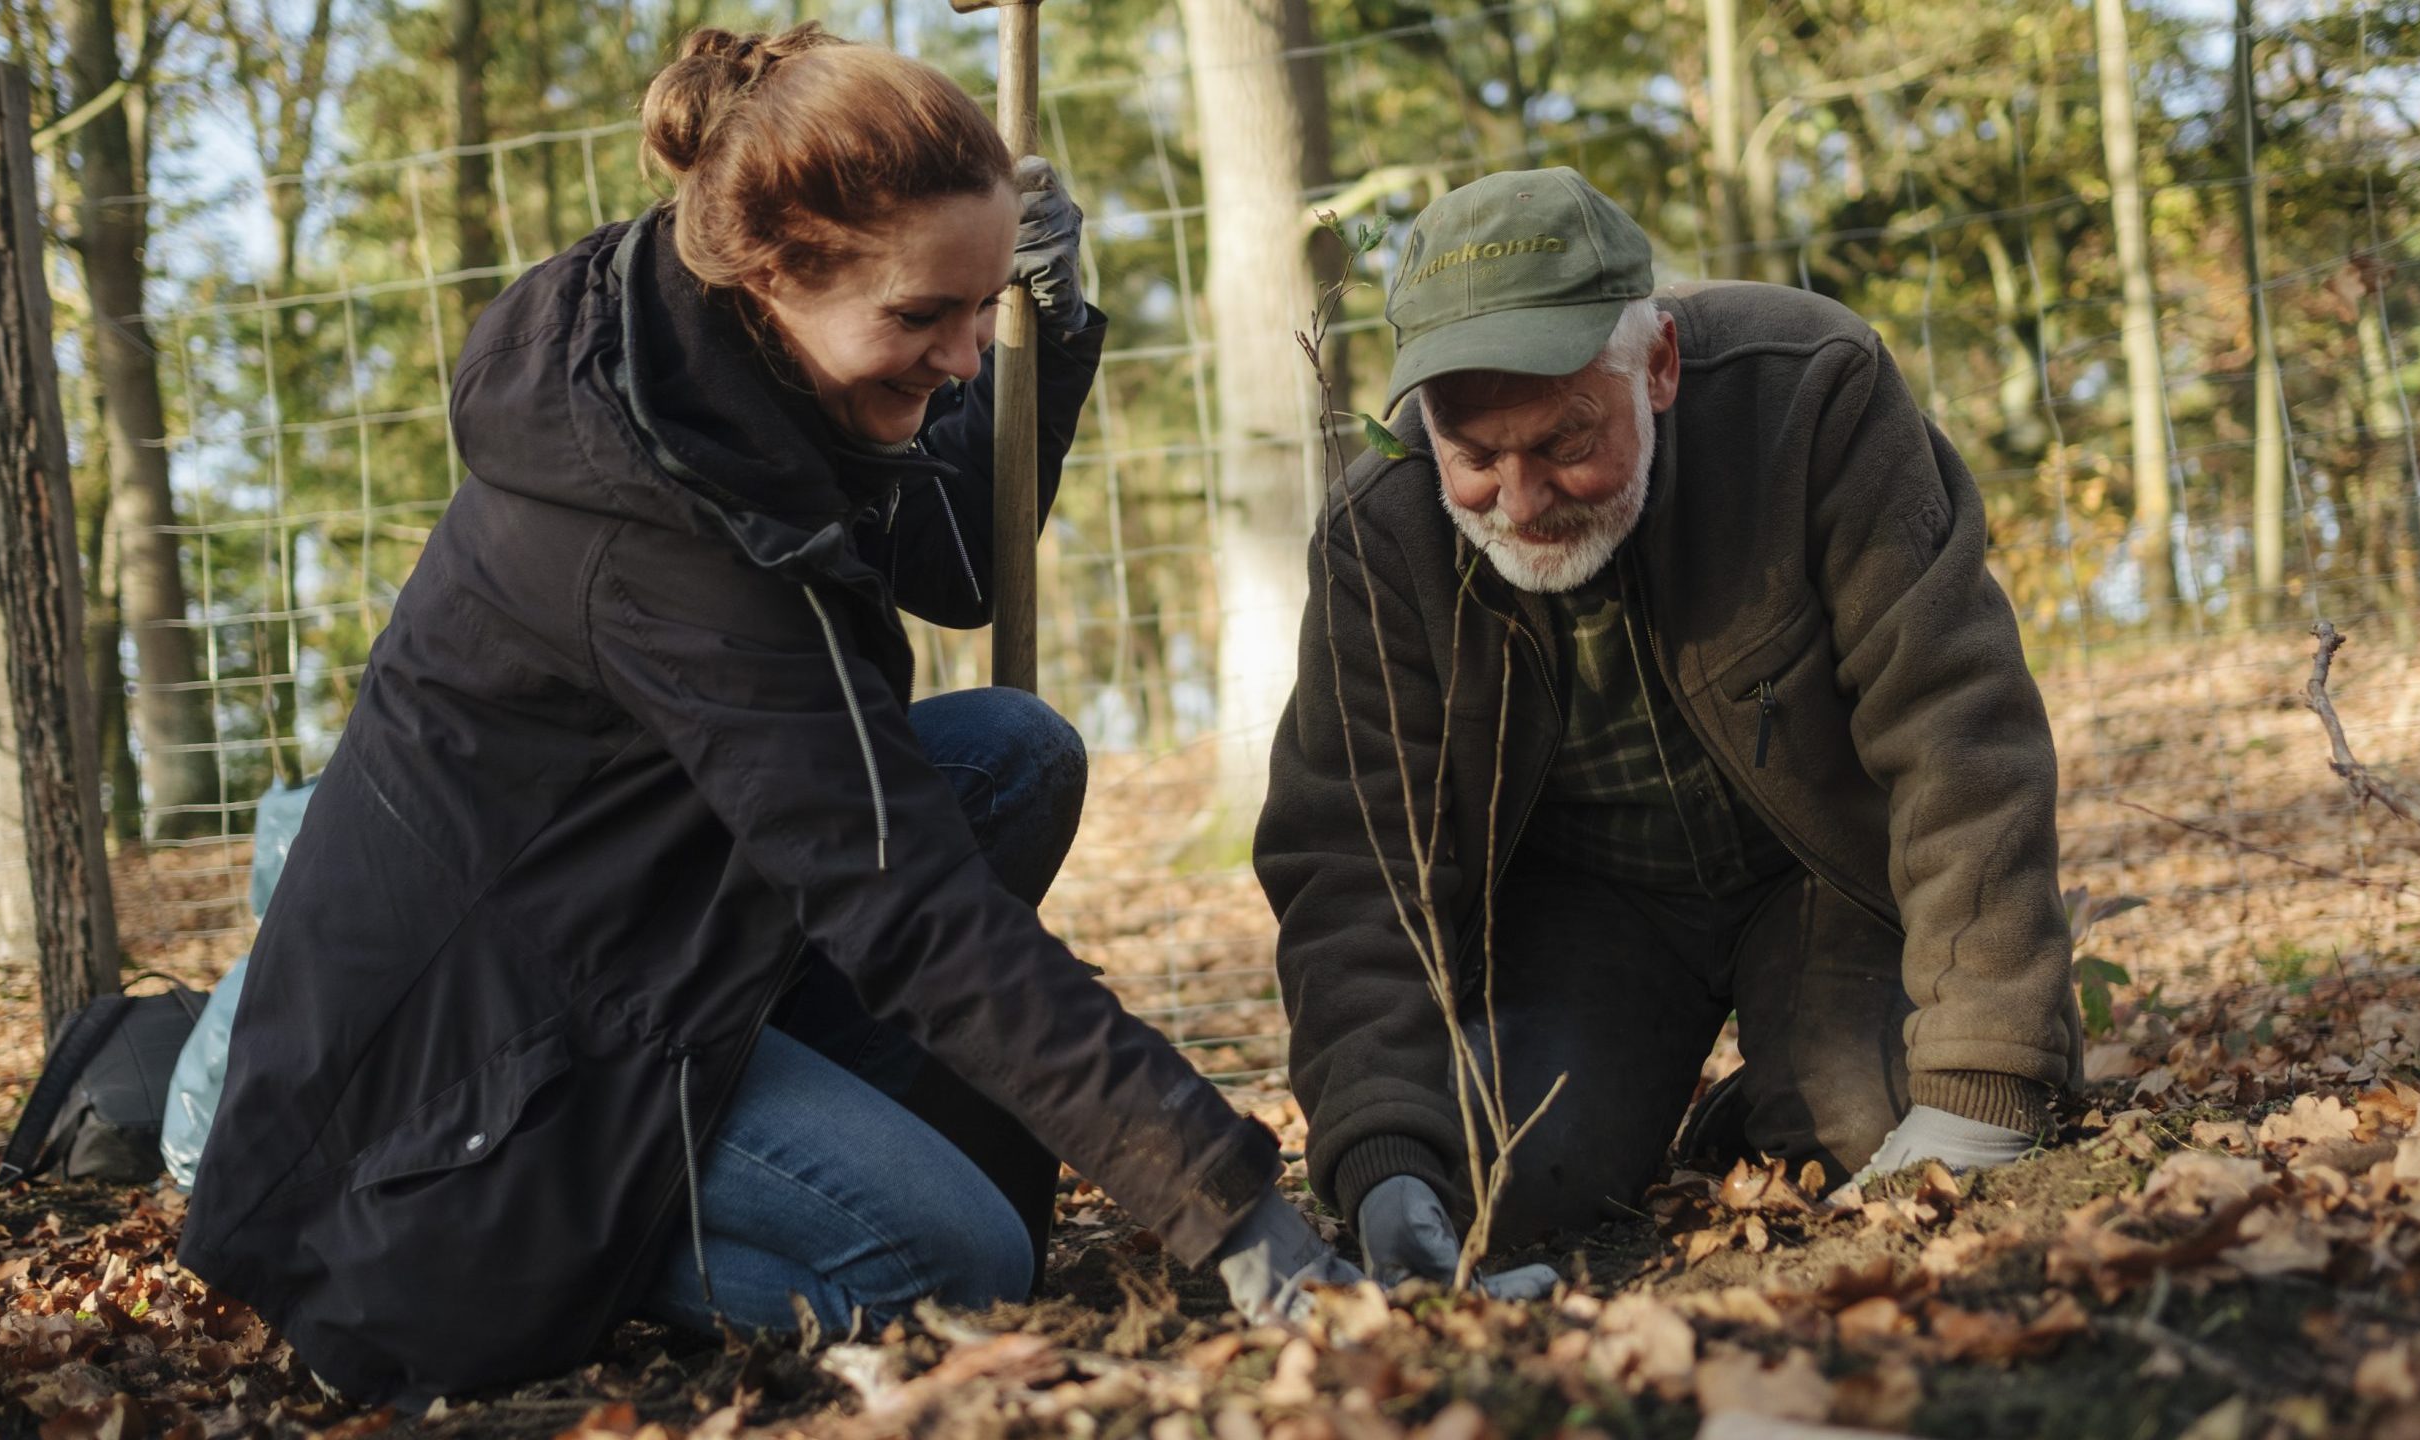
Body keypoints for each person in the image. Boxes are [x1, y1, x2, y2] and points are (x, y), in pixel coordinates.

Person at [178, 25, 1353, 1409]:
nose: (967, 359)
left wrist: (1055, 318)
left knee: (1008, 758)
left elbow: (959, 566)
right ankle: (414, 1189)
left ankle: (788, 1141)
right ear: (777, 271)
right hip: (480, 1070)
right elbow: (902, 904)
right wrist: (1227, 1203)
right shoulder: (672, 519)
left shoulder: (717, 354)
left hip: (648, 922)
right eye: (927, 317)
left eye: (979, 311)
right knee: (956, 1260)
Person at [1255, 168, 2081, 1295]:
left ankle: (1777, 1092)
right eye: (1476, 459)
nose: (1524, 498)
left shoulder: (1812, 397)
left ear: (1657, 366)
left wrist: (1989, 1068)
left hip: (1820, 870)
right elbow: (1352, 862)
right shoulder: (1382, 533)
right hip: (1586, 914)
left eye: (1562, 442)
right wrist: (1383, 1159)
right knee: (1493, 1189)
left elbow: (1957, 730)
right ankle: (1685, 1106)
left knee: (1881, 1119)